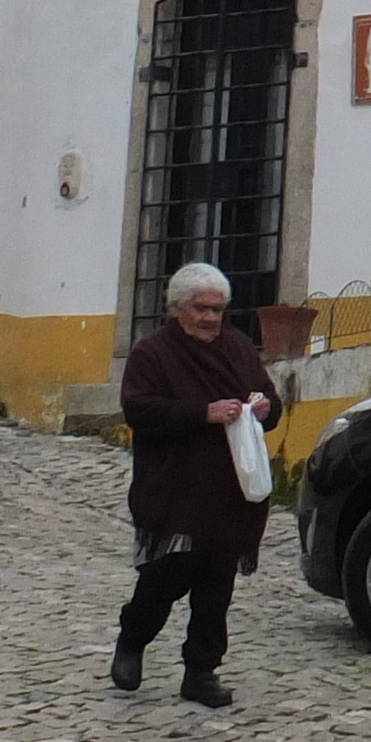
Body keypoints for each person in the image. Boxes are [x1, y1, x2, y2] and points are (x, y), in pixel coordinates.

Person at [116, 262, 275, 704]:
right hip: (174, 490)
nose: (209, 318)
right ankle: (133, 637)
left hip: (229, 493)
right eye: (200, 308)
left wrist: (264, 408)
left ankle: (201, 672)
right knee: (164, 578)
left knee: (215, 589)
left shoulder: (239, 349)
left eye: (217, 310)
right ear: (178, 308)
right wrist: (201, 413)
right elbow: (140, 410)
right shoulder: (152, 353)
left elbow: (269, 399)